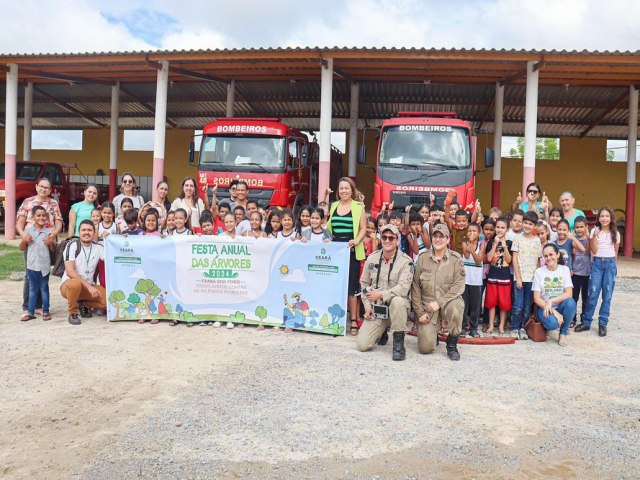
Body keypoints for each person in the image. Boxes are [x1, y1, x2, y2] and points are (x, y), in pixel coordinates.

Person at [357, 224, 414, 361]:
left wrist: (381, 295)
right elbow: (364, 284)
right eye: (384, 237)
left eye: (391, 238)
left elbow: (403, 288)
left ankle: (398, 342)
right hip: (378, 308)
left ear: (397, 240)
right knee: (362, 345)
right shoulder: (372, 258)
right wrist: (368, 307)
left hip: (397, 307)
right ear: (380, 238)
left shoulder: (406, 262)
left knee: (398, 301)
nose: (387, 241)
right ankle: (381, 331)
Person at [411, 223, 466, 360]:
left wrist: (440, 302)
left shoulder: (455, 259)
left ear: (448, 239)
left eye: (442, 236)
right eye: (435, 236)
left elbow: (459, 285)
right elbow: (415, 286)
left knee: (457, 306)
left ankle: (452, 343)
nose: (438, 239)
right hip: (428, 308)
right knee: (425, 349)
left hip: (447, 303)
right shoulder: (423, 258)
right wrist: (420, 313)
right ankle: (432, 334)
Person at [16, 177, 63, 317]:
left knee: (43, 272)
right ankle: (27, 307)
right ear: (36, 187)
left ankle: (39, 306)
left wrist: (53, 234)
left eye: (47, 188)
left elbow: (59, 221)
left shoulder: (53, 203)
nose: (44, 189)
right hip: (31, 241)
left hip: (47, 240)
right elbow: (20, 222)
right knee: (29, 273)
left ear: (50, 190)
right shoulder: (28, 202)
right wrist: (23, 235)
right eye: (41, 186)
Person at [327, 177, 368, 336]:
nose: (343, 191)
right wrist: (327, 237)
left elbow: (363, 228)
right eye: (341, 188)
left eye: (347, 188)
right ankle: (335, 319)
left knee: (351, 287)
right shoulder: (334, 206)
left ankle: (353, 320)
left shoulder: (359, 207)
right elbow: (329, 228)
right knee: (336, 286)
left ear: (352, 190)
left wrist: (356, 241)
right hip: (335, 252)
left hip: (351, 251)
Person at [575, 207, 620, 337]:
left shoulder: (615, 233)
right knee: (593, 293)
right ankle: (587, 322)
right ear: (598, 218)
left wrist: (613, 268)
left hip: (610, 265)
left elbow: (615, 252)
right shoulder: (595, 230)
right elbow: (593, 251)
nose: (604, 218)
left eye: (607, 216)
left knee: (607, 296)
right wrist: (594, 236)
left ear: (611, 218)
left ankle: (603, 323)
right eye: (602, 216)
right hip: (597, 264)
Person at [60, 220, 107, 325]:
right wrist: (89, 287)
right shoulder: (72, 245)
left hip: (87, 287)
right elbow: (70, 272)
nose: (86, 232)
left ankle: (84, 304)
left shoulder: (99, 248)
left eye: (90, 230)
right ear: (79, 232)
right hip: (69, 285)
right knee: (74, 283)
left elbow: (112, 258)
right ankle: (73, 313)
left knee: (107, 300)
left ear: (94, 232)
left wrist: (117, 239)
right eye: (83, 230)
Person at [532, 243, 576, 346]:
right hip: (544, 307)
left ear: (557, 255)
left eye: (551, 254)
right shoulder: (539, 272)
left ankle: (563, 333)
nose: (549, 258)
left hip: (559, 306)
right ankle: (548, 325)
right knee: (552, 324)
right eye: (546, 256)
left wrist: (551, 301)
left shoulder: (564, 270)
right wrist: (553, 311)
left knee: (571, 303)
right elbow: (536, 298)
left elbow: (569, 293)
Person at [19, 206, 55, 322]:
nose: (41, 217)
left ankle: (46, 311)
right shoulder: (28, 231)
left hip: (44, 266)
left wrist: (50, 243)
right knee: (33, 289)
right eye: (38, 215)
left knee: (44, 288)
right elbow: (22, 248)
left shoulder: (49, 232)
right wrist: (25, 241)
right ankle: (30, 312)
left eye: (44, 215)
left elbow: (53, 249)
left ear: (47, 217)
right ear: (33, 217)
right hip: (31, 266)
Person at [511, 211, 543, 340]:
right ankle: (515, 328)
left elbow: (538, 261)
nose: (528, 226)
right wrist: (518, 277)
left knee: (527, 306)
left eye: (531, 224)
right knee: (517, 305)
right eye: (526, 223)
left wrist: (537, 279)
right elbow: (514, 258)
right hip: (519, 278)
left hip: (532, 279)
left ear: (534, 226)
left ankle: (524, 328)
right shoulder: (518, 238)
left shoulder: (537, 241)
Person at [484, 217, 512, 335]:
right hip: (493, 276)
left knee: (504, 303)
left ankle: (501, 325)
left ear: (507, 229)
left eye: (502, 227)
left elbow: (509, 260)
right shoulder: (491, 242)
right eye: (498, 227)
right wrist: (495, 243)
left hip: (505, 277)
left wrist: (505, 246)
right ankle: (490, 325)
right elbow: (489, 258)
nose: (500, 230)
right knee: (491, 302)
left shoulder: (510, 243)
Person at [461, 222, 484, 338]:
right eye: (469, 231)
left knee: (475, 305)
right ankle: (464, 326)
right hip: (465, 280)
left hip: (476, 281)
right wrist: (469, 247)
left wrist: (473, 251)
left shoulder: (482, 245)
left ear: (479, 234)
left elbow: (479, 260)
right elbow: (465, 255)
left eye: (474, 231)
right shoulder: (464, 244)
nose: (471, 233)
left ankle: (474, 327)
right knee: (464, 304)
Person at [571, 216, 591, 327]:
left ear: (586, 227)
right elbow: (571, 255)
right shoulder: (573, 240)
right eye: (577, 227)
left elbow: (590, 250)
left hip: (587, 274)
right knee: (574, 297)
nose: (579, 229)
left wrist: (589, 238)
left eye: (581, 227)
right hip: (576, 273)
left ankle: (584, 318)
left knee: (586, 298)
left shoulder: (589, 240)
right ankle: (572, 318)